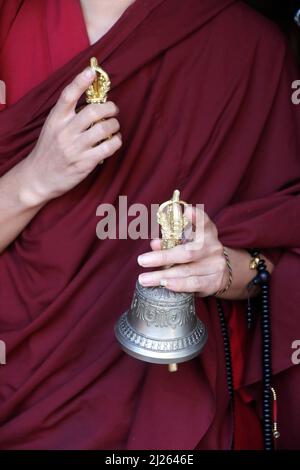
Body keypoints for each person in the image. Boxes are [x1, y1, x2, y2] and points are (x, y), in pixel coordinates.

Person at [0, 0, 299, 450]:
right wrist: (35, 178)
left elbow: (278, 261)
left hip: (171, 410)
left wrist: (222, 271)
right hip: (17, 392)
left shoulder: (250, 47)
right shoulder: (9, 25)